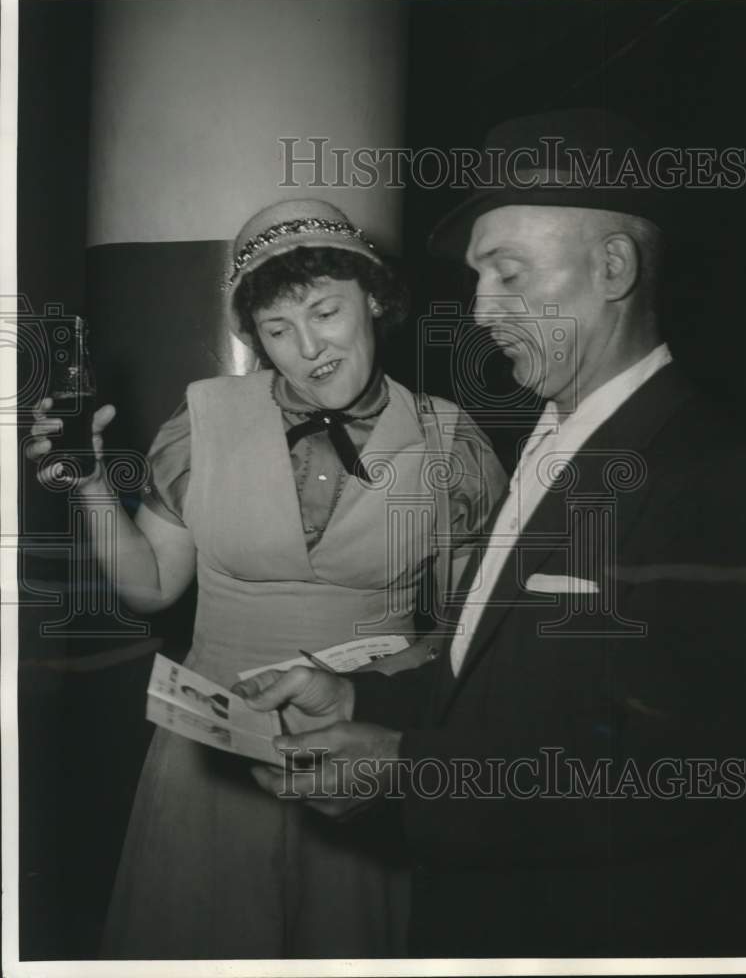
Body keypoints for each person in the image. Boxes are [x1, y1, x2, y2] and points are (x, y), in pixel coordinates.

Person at [237, 111, 746, 958]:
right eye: (476, 277)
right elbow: (494, 677)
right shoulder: (540, 436)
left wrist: (409, 768)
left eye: (508, 273)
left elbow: (681, 775)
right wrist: (361, 703)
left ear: (613, 267)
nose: (480, 307)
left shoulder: (715, 475)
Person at [27, 198, 507, 959]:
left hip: (356, 753)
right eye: (277, 330)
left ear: (375, 301)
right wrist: (87, 480)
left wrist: (376, 684)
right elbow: (150, 587)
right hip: (208, 760)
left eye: (326, 312)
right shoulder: (203, 421)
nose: (308, 347)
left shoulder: (449, 442)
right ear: (254, 339)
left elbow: (465, 636)